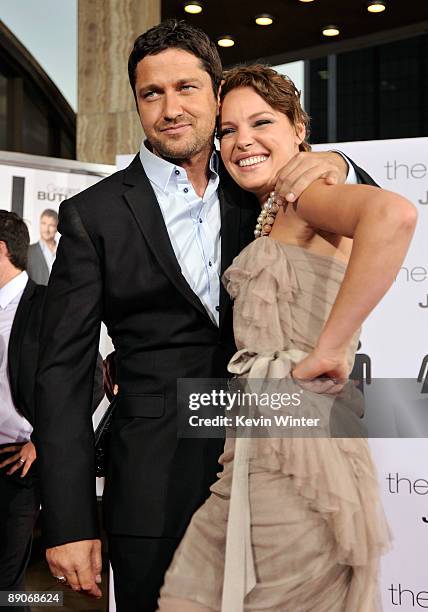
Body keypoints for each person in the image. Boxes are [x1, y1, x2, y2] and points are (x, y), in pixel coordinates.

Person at [35, 20, 381, 612]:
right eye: (152, 93)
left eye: (187, 88)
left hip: (276, 465)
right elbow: (60, 374)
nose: (171, 108)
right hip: (153, 484)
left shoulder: (260, 189)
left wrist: (337, 166)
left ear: (215, 92)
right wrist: (68, 520)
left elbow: (366, 209)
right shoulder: (93, 214)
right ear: (137, 104)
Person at [157, 65, 417, 611]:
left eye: (261, 122)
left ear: (300, 128)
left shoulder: (309, 195)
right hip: (261, 434)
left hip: (301, 440)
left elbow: (393, 216)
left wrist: (329, 348)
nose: (241, 141)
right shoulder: (273, 208)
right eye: (227, 130)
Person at [0, 211, 46, 612]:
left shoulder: (47, 306)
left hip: (19, 463)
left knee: (7, 581)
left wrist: (41, 442)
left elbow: (85, 381)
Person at [27, 209, 58, 285]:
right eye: (44, 224)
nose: (46, 229)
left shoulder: (64, 252)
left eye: (51, 225)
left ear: (57, 228)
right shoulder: (28, 252)